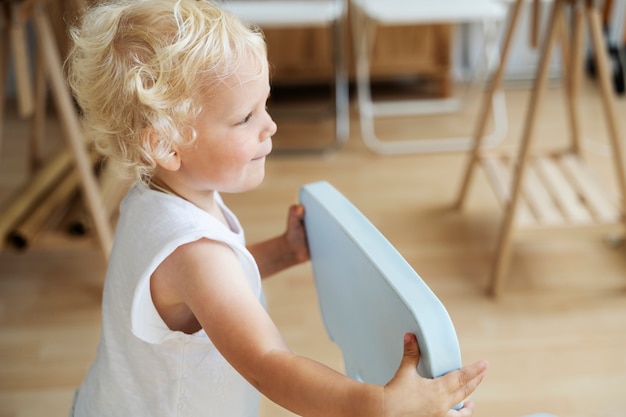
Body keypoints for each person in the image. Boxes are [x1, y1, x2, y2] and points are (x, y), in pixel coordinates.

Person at [66, 1, 488, 416]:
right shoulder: (195, 254)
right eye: (245, 117)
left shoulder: (154, 195)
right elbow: (270, 365)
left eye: (264, 104)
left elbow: (208, 289)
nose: (269, 125)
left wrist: (282, 251)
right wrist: (379, 404)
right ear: (164, 145)